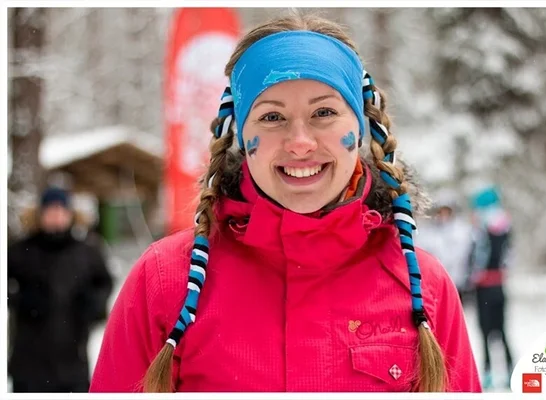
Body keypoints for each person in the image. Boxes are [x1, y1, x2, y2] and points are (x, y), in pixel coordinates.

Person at [90, 14, 481, 393]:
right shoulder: (164, 282)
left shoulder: (422, 286)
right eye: (272, 117)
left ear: (360, 127)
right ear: (242, 134)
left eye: (324, 112)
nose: (300, 143)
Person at [8, 187, 114, 393]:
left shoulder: (87, 252)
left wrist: (94, 304)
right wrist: (20, 299)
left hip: (73, 363)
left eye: (61, 210)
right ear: (41, 214)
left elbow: (105, 283)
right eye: (50, 210)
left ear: (69, 214)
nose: (56, 216)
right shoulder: (21, 251)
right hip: (28, 364)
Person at [468, 186, 514, 390]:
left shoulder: (480, 231)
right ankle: (510, 369)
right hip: (499, 285)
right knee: (502, 331)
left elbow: (477, 260)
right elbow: (509, 258)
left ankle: (488, 373)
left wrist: (473, 276)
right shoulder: (505, 228)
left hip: (484, 288)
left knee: (485, 333)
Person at [416, 190, 473, 303]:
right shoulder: (427, 232)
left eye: (446, 211)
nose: (443, 215)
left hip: (456, 280)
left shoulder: (461, 230)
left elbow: (463, 254)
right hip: (433, 281)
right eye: (440, 211)